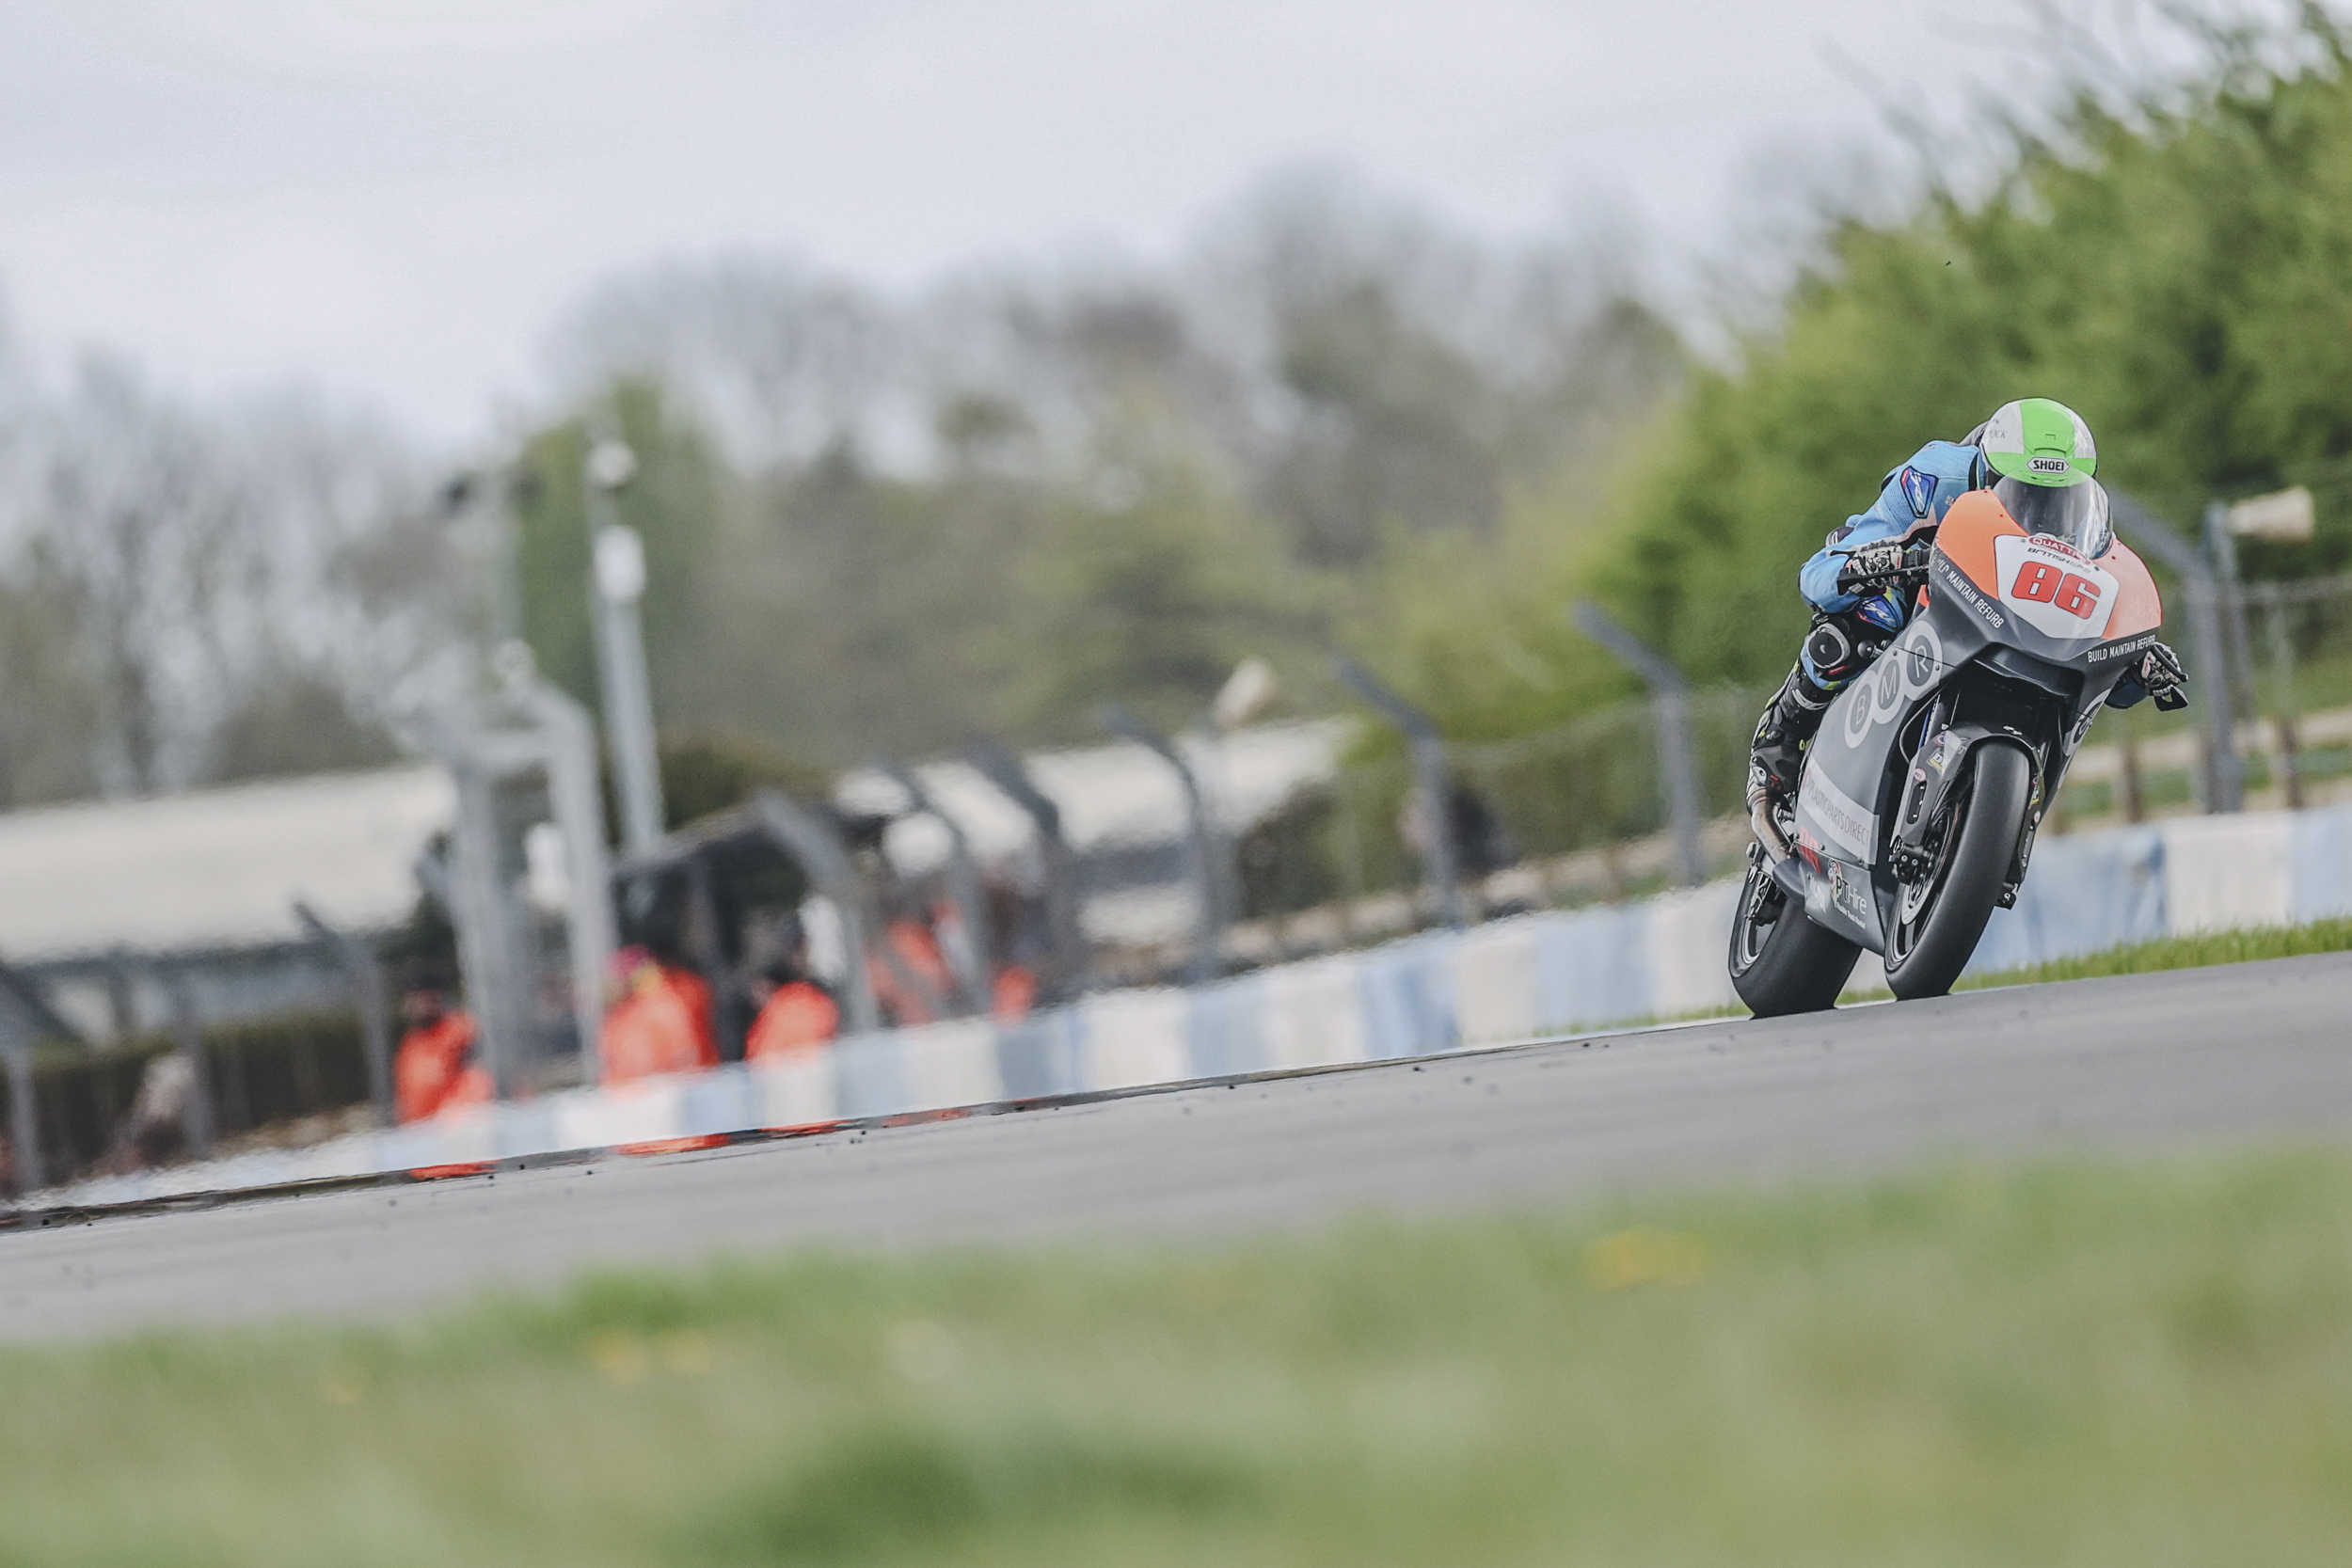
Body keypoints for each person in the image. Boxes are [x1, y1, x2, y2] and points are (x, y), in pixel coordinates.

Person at [1748, 398, 2189, 807]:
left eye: (2056, 496)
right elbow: (1818, 575)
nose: (2042, 510)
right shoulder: (1933, 479)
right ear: (1988, 472)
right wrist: (1871, 563)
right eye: (2026, 492)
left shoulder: (2081, 518)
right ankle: (1781, 735)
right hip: (1926, 592)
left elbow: (2111, 676)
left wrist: (2131, 661)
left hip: (2012, 617)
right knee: (1867, 618)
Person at [599, 945, 711, 1085]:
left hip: (669, 1087)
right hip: (637, 1091)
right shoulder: (625, 1012)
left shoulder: (664, 1000)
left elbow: (683, 1050)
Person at [392, 979, 489, 1124]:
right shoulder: (410, 1045)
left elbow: (474, 1076)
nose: (422, 1005)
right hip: (418, 1133)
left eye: (428, 998)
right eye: (417, 999)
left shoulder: (457, 1030)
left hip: (453, 1127)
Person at [744, 948, 840, 1065]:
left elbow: (764, 1057)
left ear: (771, 986)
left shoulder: (783, 1011)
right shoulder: (811, 998)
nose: (757, 1001)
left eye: (760, 992)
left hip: (796, 1072)